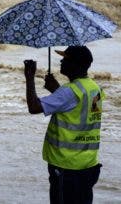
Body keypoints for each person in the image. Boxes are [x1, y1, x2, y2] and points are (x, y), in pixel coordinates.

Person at [24, 45, 105, 204]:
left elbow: (34, 107)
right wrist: (56, 91)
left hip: (66, 167)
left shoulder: (68, 91)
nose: (61, 61)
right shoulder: (94, 88)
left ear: (76, 64)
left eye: (65, 59)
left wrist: (29, 77)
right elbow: (76, 109)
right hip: (88, 164)